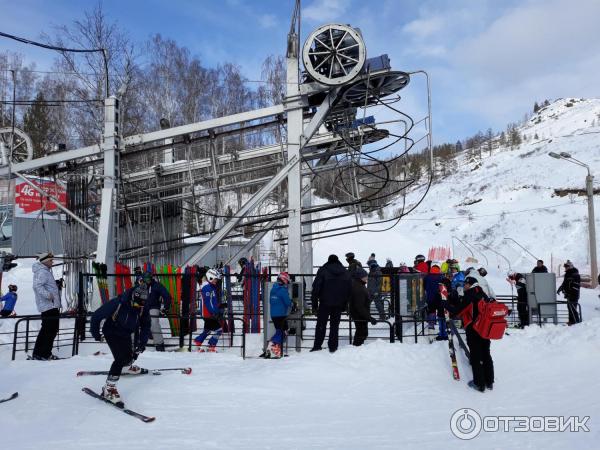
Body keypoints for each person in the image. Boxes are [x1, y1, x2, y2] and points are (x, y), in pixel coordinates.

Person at [90, 285, 151, 404]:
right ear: (133, 297)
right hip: (111, 331)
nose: (138, 307)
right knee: (120, 358)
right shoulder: (119, 302)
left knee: (131, 355)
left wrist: (142, 344)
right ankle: (109, 389)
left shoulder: (143, 307)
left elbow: (145, 326)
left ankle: (127, 367)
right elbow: (96, 317)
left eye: (141, 305)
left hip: (126, 333)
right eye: (137, 304)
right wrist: (96, 334)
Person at [446, 276, 495, 392]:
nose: (464, 286)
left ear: (470, 284)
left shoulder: (470, 296)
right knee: (486, 354)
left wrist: (445, 304)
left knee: (476, 356)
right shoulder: (483, 294)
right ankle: (489, 381)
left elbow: (457, 312)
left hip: (474, 330)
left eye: (466, 284)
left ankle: (479, 383)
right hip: (485, 329)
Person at [311, 254, 352, 353]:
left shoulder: (323, 270)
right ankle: (333, 347)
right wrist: (345, 304)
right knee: (334, 326)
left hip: (325, 302)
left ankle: (317, 346)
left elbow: (316, 288)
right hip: (338, 304)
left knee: (321, 324)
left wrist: (314, 305)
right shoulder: (345, 272)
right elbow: (349, 289)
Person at [31, 252, 62, 360]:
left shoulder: (43, 271)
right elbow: (37, 286)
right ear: (45, 261)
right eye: (50, 260)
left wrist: (55, 285)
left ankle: (38, 353)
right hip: (49, 306)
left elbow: (42, 285)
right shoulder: (43, 272)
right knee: (51, 330)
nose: (52, 262)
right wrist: (49, 295)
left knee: (46, 330)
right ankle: (45, 353)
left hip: (48, 305)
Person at [194, 269, 225, 351]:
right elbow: (208, 302)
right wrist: (214, 312)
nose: (216, 281)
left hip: (209, 313)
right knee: (219, 330)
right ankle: (211, 345)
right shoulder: (207, 288)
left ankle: (197, 342)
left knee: (207, 330)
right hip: (208, 314)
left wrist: (220, 306)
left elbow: (212, 301)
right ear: (210, 277)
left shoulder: (210, 287)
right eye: (215, 279)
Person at [141, 271, 172, 352]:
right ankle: (133, 342)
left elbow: (167, 296)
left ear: (151, 278)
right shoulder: (141, 286)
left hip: (153, 307)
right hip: (142, 307)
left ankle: (159, 344)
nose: (146, 281)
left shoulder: (157, 286)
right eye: (145, 279)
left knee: (153, 322)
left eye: (148, 279)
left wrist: (166, 307)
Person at [266, 272, 292, 358]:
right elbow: (288, 302)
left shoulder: (273, 289)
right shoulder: (282, 290)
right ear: (284, 279)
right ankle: (271, 345)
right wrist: (293, 304)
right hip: (281, 315)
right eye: (287, 281)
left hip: (274, 314)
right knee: (283, 332)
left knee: (279, 331)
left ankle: (274, 350)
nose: (287, 283)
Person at [349, 268, 377, 346]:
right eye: (365, 276)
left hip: (359, 314)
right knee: (361, 333)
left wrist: (369, 297)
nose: (367, 277)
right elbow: (359, 306)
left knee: (362, 332)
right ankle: (356, 348)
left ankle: (357, 348)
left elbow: (361, 302)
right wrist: (369, 318)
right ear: (360, 277)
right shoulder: (358, 288)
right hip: (359, 315)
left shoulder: (359, 285)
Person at [424, 263, 446, 338]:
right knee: (441, 314)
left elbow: (424, 287)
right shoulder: (442, 277)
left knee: (431, 312)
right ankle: (443, 331)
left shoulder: (427, 277)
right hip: (440, 298)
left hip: (430, 298)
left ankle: (431, 328)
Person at [557, 260, 581, 325]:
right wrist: (561, 288)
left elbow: (576, 286)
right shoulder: (567, 274)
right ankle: (571, 321)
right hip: (568, 294)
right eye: (565, 267)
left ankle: (576, 322)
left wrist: (571, 293)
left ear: (570, 266)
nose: (565, 268)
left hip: (573, 295)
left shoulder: (575, 274)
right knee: (569, 308)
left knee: (573, 308)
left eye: (567, 266)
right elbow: (565, 283)